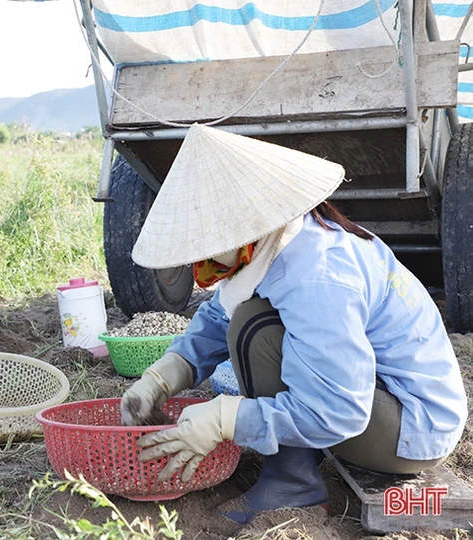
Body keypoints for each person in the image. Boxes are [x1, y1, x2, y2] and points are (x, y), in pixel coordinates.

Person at [120, 124, 468, 524]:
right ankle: (296, 464)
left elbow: (338, 410)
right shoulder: (277, 241)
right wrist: (164, 375)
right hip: (378, 396)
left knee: (255, 330)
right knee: (248, 318)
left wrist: (226, 418)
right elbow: (219, 314)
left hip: (411, 429)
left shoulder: (318, 275)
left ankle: (292, 483)